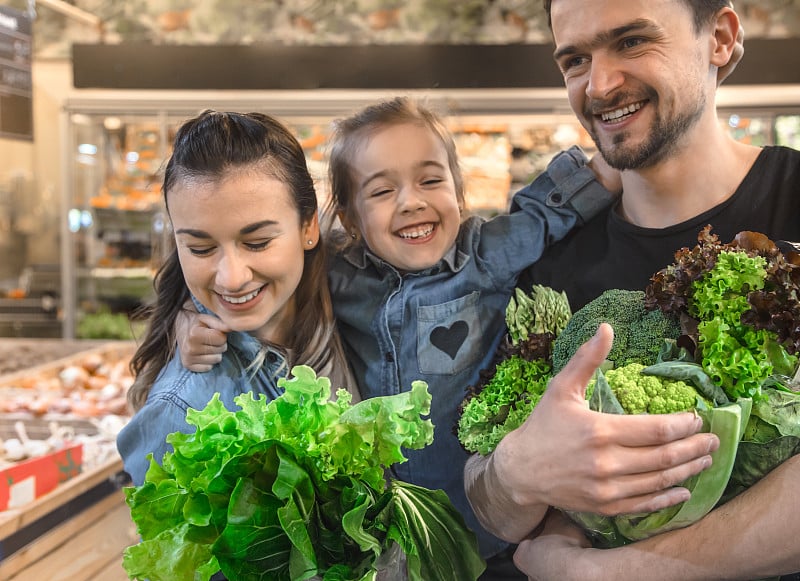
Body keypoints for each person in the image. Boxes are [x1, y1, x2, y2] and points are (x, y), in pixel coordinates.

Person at [176, 96, 619, 579]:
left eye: (431, 180)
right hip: (381, 533)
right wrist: (189, 317)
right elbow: (252, 281)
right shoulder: (336, 274)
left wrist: (616, 160)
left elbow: (548, 210)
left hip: (484, 522)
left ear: (458, 191)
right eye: (382, 191)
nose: (412, 201)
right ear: (348, 218)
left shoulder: (485, 255)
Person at [465, 1, 800, 580]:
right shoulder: (551, 266)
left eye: (632, 42)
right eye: (574, 59)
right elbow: (490, 499)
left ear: (719, 39)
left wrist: (613, 573)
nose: (599, 85)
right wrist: (516, 470)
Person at [116, 110, 354, 487]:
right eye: (200, 248)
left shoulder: (350, 293)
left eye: (257, 243)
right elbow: (172, 544)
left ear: (309, 227)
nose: (232, 277)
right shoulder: (183, 411)